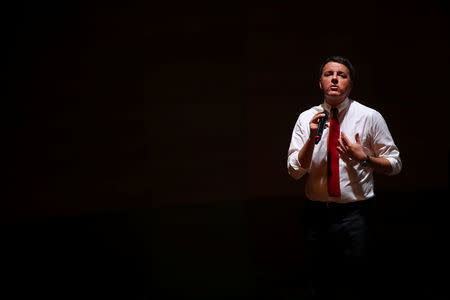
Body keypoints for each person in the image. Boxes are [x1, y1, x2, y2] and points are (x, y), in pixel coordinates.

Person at [287, 56, 401, 299]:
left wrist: (365, 159)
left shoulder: (369, 117)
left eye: (342, 75)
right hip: (316, 215)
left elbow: (395, 164)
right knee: (318, 283)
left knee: (358, 284)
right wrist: (310, 138)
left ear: (350, 84)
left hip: (356, 215)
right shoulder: (306, 118)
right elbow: (295, 171)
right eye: (329, 74)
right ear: (320, 83)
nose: (335, 78)